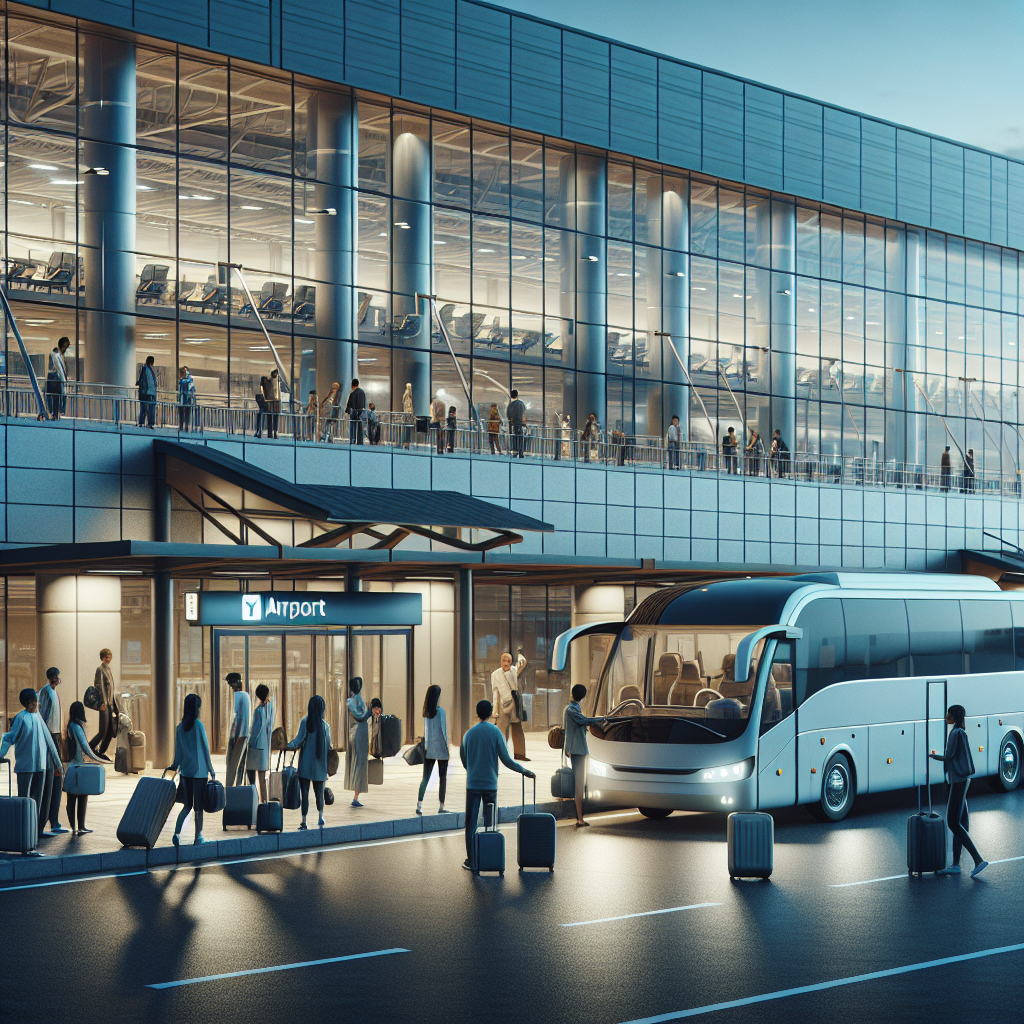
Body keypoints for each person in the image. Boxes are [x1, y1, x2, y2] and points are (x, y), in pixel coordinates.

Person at [459, 699, 534, 872]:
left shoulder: (468, 734)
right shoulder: (496, 732)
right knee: (490, 822)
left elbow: (464, 760)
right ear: (492, 712)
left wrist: (472, 771)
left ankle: (471, 860)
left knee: (470, 823)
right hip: (490, 785)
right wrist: (523, 770)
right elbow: (506, 760)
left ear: (477, 714)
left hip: (473, 785)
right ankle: (489, 857)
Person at [929, 704, 988, 878]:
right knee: (960, 822)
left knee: (953, 822)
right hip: (962, 780)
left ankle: (978, 859)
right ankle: (955, 864)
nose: (946, 716)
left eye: (948, 713)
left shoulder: (955, 733)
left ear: (954, 716)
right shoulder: (960, 731)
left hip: (959, 782)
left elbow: (949, 756)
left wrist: (934, 756)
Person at [0, 688, 62, 851]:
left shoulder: (38, 716)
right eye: (35, 700)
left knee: (37, 800)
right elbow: (9, 737)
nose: (37, 703)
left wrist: (57, 763)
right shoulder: (21, 718)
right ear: (29, 702)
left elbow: (48, 739)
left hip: (40, 765)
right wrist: (1, 754)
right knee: (24, 800)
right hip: (26, 766)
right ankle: (23, 833)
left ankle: (36, 832)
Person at [169, 693, 215, 846]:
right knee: (198, 807)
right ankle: (198, 837)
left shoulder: (180, 728)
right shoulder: (198, 725)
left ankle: (176, 833)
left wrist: (174, 766)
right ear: (197, 708)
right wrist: (211, 769)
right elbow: (205, 748)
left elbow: (178, 752)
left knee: (187, 806)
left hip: (186, 772)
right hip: (199, 772)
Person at [564, 684, 609, 828]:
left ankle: (580, 817)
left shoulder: (572, 709)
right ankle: (579, 818)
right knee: (579, 784)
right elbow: (584, 721)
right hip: (578, 751)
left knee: (580, 783)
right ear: (583, 697)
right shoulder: (572, 710)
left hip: (577, 750)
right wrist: (602, 719)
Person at [286, 695, 331, 830]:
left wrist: (288, 745)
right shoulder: (325, 726)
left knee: (304, 794)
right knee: (319, 793)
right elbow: (329, 745)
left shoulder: (305, 722)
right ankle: (320, 817)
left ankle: (304, 821)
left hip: (305, 764)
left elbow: (298, 740)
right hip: (320, 766)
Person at [64, 701, 106, 836]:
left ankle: (74, 826)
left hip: (71, 767)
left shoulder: (70, 726)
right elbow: (85, 747)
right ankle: (80, 826)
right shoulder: (76, 727)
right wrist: (99, 759)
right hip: (78, 766)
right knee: (82, 796)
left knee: (71, 797)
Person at [37, 667, 68, 836]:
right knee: (53, 778)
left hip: (55, 736)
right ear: (51, 678)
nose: (58, 679)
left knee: (57, 778)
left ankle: (54, 821)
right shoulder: (45, 692)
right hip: (49, 737)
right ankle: (50, 822)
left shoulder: (53, 692)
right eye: (56, 677)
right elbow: (44, 716)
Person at [416, 685, 450, 816]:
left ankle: (419, 804)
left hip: (429, 749)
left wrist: (427, 747)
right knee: (443, 778)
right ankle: (441, 805)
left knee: (425, 777)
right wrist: (447, 749)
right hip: (441, 749)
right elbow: (443, 731)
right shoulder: (441, 712)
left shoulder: (426, 712)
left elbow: (426, 731)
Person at [491, 652, 528, 761]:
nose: (506, 663)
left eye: (508, 661)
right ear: (500, 661)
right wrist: (495, 710)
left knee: (517, 728)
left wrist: (520, 654)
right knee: (502, 729)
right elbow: (495, 692)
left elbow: (523, 663)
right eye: (504, 660)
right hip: (503, 704)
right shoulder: (495, 674)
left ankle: (519, 753)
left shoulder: (514, 670)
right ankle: (501, 753)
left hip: (515, 703)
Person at [345, 677, 373, 807]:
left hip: (362, 732)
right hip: (357, 733)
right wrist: (369, 713)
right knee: (358, 762)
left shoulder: (359, 700)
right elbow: (360, 716)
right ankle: (355, 795)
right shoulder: (351, 702)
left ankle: (356, 795)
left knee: (361, 762)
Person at [245, 684, 274, 803]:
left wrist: (248, 742)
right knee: (262, 779)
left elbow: (256, 730)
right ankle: (264, 803)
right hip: (265, 747)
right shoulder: (271, 707)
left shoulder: (258, 711)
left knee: (251, 776)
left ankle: (253, 801)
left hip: (255, 747)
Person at [225, 672, 251, 788]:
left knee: (232, 764)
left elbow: (235, 718)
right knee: (241, 765)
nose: (230, 687)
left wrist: (233, 737)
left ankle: (230, 789)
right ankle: (238, 787)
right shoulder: (246, 695)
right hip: (245, 734)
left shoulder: (237, 696)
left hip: (238, 736)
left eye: (230, 684)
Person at [90, 648, 117, 758]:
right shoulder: (100, 670)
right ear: (102, 658)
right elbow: (99, 687)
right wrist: (101, 703)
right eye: (106, 657)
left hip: (110, 705)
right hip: (104, 705)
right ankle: (90, 748)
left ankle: (101, 752)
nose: (108, 659)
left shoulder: (109, 670)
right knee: (103, 731)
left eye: (109, 657)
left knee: (110, 731)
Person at [46, 336, 70, 420]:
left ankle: (56, 414)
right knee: (54, 399)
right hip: (54, 380)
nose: (65, 349)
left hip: (56, 379)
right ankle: (53, 415)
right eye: (65, 347)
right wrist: (64, 381)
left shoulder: (59, 355)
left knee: (56, 399)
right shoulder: (55, 355)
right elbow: (59, 369)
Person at [137, 354, 158, 428]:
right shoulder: (147, 369)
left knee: (146, 408)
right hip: (147, 393)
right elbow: (147, 382)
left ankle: (144, 422)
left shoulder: (147, 369)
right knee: (147, 409)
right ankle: (147, 423)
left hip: (148, 392)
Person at [345, 377, 366, 445]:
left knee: (353, 427)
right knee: (360, 427)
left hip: (354, 412)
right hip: (361, 412)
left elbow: (350, 403)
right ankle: (360, 441)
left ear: (352, 385)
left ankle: (352, 440)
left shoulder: (353, 393)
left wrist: (347, 411)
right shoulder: (362, 392)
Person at [507, 389, 527, 458]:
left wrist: (511, 420)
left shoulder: (511, 405)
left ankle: (515, 451)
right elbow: (524, 413)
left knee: (514, 437)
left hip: (514, 424)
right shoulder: (521, 404)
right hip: (520, 423)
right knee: (521, 438)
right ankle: (521, 452)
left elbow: (509, 414)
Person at [177, 366, 196, 431]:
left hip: (187, 400)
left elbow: (192, 389)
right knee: (182, 414)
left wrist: (190, 395)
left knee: (187, 413)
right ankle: (181, 426)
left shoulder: (189, 380)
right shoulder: (181, 380)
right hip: (182, 400)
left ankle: (186, 426)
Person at [402, 382, 415, 448]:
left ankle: (407, 442)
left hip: (408, 414)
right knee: (407, 428)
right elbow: (408, 405)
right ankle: (407, 442)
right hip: (408, 414)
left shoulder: (407, 394)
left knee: (408, 428)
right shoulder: (407, 394)